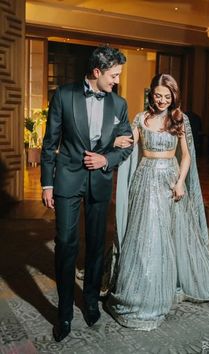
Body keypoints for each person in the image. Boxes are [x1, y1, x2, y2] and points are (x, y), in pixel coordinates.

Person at [106, 73, 209, 331]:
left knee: (173, 233)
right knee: (145, 233)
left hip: (171, 179)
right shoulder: (141, 118)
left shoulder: (179, 119)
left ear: (174, 96)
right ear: (151, 94)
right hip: (145, 177)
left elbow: (186, 156)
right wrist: (114, 141)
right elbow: (130, 145)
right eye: (158, 95)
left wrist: (181, 181)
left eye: (167, 96)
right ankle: (144, 288)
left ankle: (172, 281)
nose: (162, 100)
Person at [41, 46, 133, 342]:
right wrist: (47, 184)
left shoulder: (119, 104)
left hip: (100, 182)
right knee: (66, 243)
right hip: (67, 179)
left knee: (96, 244)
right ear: (97, 72)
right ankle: (64, 311)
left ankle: (91, 301)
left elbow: (128, 144)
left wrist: (107, 159)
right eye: (114, 75)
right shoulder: (64, 95)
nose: (117, 80)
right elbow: (49, 143)